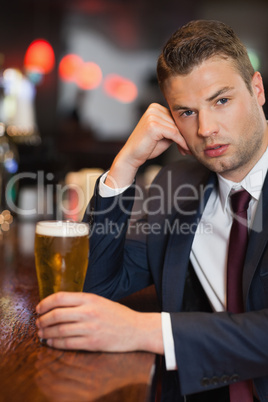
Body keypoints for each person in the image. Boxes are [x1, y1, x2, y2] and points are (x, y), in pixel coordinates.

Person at [35, 20, 268, 401]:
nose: (206, 128)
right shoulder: (176, 185)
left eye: (221, 100)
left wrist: (144, 330)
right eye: (186, 112)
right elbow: (98, 286)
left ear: (256, 89)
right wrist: (124, 165)